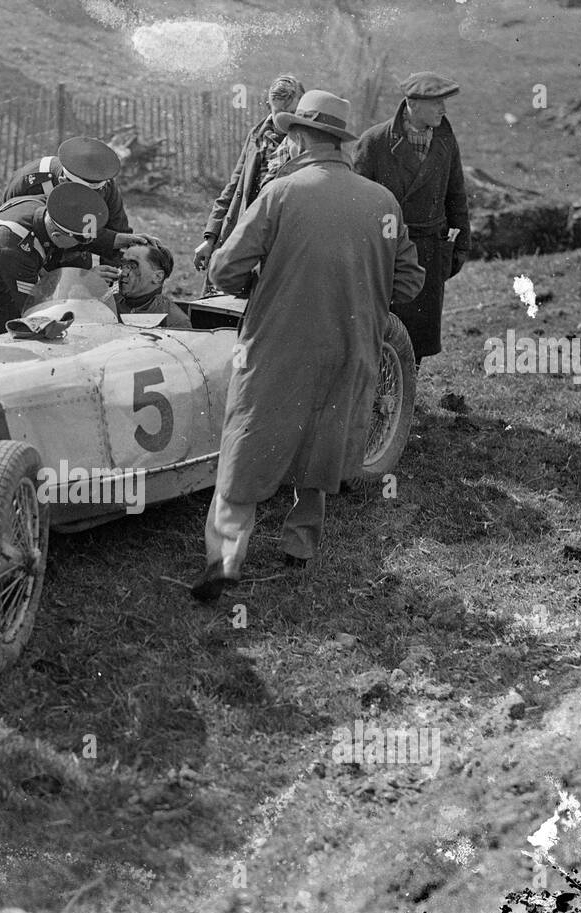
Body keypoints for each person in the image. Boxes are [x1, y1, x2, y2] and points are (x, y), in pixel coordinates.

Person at [191, 91, 425, 602]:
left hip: (278, 342)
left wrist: (264, 275)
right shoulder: (382, 200)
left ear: (297, 139)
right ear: (338, 142)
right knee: (325, 433)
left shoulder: (281, 194)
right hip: (352, 343)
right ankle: (300, 547)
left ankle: (226, 558)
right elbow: (408, 282)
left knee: (248, 442)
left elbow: (224, 269)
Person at [353, 72, 470, 366]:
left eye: (444, 103)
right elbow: (356, 203)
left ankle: (407, 392)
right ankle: (381, 392)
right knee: (385, 327)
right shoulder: (375, 142)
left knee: (418, 334)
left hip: (429, 250)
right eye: (436, 103)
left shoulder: (445, 140)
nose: (443, 110)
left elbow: (456, 194)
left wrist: (460, 245)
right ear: (412, 104)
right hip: (387, 251)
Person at [193, 73, 303, 284]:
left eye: (293, 113)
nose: (287, 119)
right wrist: (210, 238)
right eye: (280, 112)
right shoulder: (257, 136)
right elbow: (233, 188)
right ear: (269, 106)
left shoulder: (303, 143)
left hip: (278, 243)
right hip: (242, 235)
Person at [0, 183, 115, 336]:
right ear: (57, 237)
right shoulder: (15, 249)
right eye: (78, 244)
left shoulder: (50, 206)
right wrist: (84, 281)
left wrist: (115, 239)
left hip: (6, 267)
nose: (80, 248)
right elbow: (36, 310)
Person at [1, 137, 135, 264]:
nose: (92, 202)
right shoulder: (30, 184)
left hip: (76, 250)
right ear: (63, 182)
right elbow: (7, 228)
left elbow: (118, 233)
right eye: (84, 197)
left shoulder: (106, 186)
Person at [113, 240, 189, 327]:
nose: (123, 273)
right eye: (123, 265)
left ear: (157, 277)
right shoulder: (107, 304)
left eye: (133, 266)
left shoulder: (173, 321)